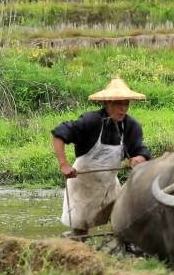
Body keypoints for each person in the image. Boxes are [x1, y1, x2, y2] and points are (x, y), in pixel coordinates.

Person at [51, 78, 151, 240]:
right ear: (107, 103)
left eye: (126, 104)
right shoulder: (90, 121)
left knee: (123, 222)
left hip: (109, 184)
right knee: (80, 233)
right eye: (118, 104)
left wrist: (139, 158)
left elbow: (138, 149)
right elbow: (59, 134)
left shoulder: (131, 126)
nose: (123, 109)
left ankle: (122, 248)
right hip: (83, 185)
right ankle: (74, 247)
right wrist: (64, 164)